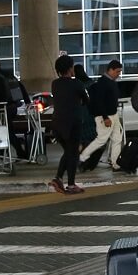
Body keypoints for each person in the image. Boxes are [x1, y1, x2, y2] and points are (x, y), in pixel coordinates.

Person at [49, 54, 89, 194]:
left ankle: (59, 178)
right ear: (70, 68)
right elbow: (86, 99)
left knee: (68, 152)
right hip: (73, 123)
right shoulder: (76, 83)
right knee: (73, 154)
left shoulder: (55, 84)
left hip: (57, 124)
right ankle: (70, 184)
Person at [79, 59, 125, 170]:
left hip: (112, 115)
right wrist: (105, 117)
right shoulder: (103, 83)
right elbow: (99, 102)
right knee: (101, 140)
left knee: (116, 139)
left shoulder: (108, 82)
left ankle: (115, 162)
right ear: (110, 70)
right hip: (105, 116)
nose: (118, 74)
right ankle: (82, 157)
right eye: (117, 71)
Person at [0, 56, 29, 160]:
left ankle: (21, 153)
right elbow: (21, 86)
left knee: (7, 132)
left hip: (3, 108)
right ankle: (1, 154)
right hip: (13, 107)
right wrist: (27, 101)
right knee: (5, 131)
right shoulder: (8, 74)